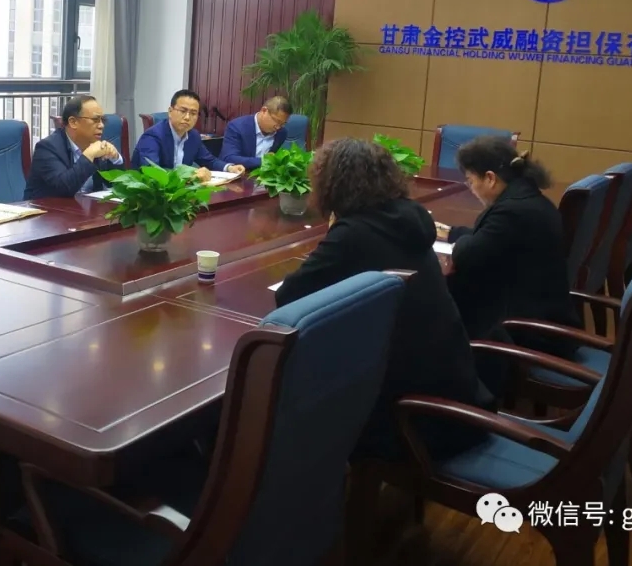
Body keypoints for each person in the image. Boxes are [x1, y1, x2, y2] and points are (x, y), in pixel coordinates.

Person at [275, 138, 492, 462]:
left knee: (293, 394)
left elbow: (288, 296)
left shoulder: (354, 233)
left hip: (413, 422)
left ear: (332, 184)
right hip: (456, 395)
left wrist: (334, 233)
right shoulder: (409, 216)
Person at [439, 136, 580, 369]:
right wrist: (452, 233)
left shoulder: (511, 212)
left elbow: (466, 255)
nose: (471, 189)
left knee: (441, 301)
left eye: (471, 181)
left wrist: (461, 241)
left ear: (490, 178)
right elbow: (492, 238)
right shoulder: (528, 199)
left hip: (527, 335)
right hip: (542, 318)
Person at [132, 89, 245, 183]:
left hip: (180, 191)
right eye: (183, 111)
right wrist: (189, 174)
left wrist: (230, 168)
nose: (187, 117)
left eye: (193, 113)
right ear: (170, 111)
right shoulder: (152, 136)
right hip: (149, 194)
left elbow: (209, 160)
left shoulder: (193, 136)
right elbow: (152, 171)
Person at [24, 94, 125, 198]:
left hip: (87, 207)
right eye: (95, 120)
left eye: (102, 120)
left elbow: (119, 187)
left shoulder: (96, 145)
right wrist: (89, 156)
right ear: (73, 122)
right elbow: (63, 189)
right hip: (49, 207)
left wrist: (116, 159)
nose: (101, 125)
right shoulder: (47, 148)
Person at [220, 96, 292, 170]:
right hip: (240, 174)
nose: (278, 127)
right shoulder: (237, 127)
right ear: (264, 111)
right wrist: (264, 160)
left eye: (283, 123)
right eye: (277, 121)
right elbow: (229, 158)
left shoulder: (281, 133)